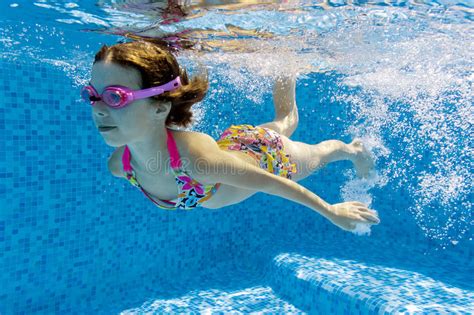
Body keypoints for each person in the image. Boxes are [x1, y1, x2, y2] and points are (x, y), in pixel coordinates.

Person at [82, 40, 380, 232]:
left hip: (269, 158)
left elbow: (270, 183)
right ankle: (284, 63)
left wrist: (331, 211)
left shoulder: (197, 161)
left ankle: (351, 150)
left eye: (115, 97)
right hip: (236, 144)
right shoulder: (120, 165)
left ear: (160, 108)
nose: (98, 109)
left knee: (316, 153)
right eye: (92, 95)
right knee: (284, 120)